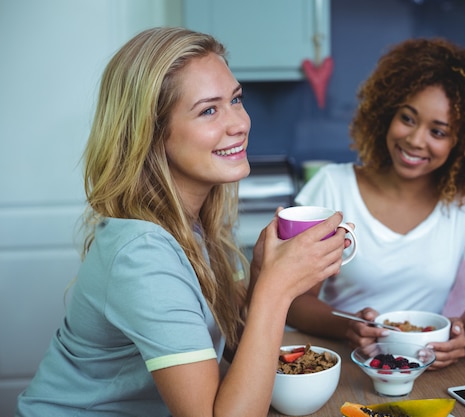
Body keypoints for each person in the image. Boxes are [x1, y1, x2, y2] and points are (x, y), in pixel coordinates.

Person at [15, 27, 349, 417]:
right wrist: (276, 290)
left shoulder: (186, 224)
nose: (239, 123)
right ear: (152, 134)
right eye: (209, 110)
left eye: (236, 99)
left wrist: (261, 275)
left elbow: (234, 351)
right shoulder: (142, 253)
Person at [287, 38, 465, 370]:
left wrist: (459, 332)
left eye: (438, 132)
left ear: (463, 143)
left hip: (425, 368)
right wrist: (348, 325)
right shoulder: (332, 187)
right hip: (339, 365)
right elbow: (295, 301)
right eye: (408, 119)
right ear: (387, 112)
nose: (414, 140)